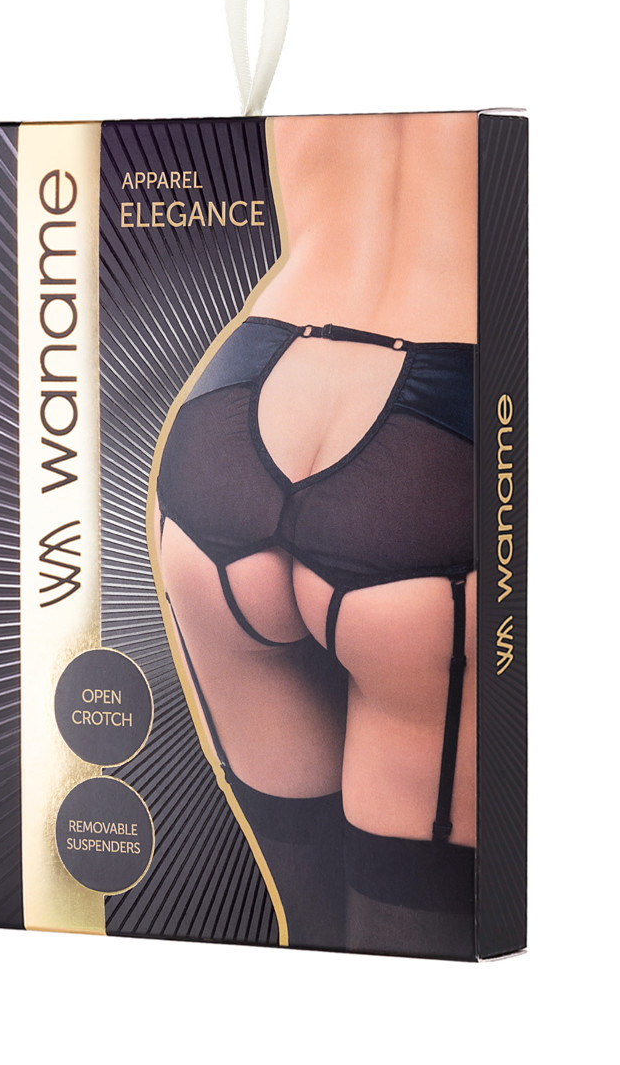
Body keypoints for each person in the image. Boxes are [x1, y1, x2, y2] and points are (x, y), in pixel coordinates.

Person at [154, 112, 477, 958]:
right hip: (437, 446)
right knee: (416, 960)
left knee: (312, 935)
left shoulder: (321, 46)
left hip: (237, 407)